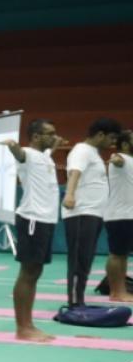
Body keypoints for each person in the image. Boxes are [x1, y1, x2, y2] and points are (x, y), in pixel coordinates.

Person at [0, 120, 62, 341]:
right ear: (36, 136)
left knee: (35, 273)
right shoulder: (27, 152)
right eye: (50, 133)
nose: (54, 137)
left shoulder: (45, 156)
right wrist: (12, 146)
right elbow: (20, 154)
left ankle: (29, 324)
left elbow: (45, 151)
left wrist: (53, 145)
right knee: (28, 272)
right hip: (32, 219)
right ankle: (22, 328)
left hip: (46, 219)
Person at [62, 119, 118, 307]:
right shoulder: (82, 151)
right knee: (79, 260)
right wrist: (69, 194)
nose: (112, 143)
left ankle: (79, 299)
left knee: (85, 260)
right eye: (111, 138)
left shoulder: (93, 153)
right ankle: (75, 302)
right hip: (81, 213)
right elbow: (74, 173)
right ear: (100, 134)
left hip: (93, 213)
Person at [100, 131, 133, 302]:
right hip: (119, 215)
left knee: (123, 255)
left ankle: (121, 289)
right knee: (116, 254)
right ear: (126, 144)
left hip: (129, 215)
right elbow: (117, 160)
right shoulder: (119, 157)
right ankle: (115, 292)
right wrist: (115, 160)